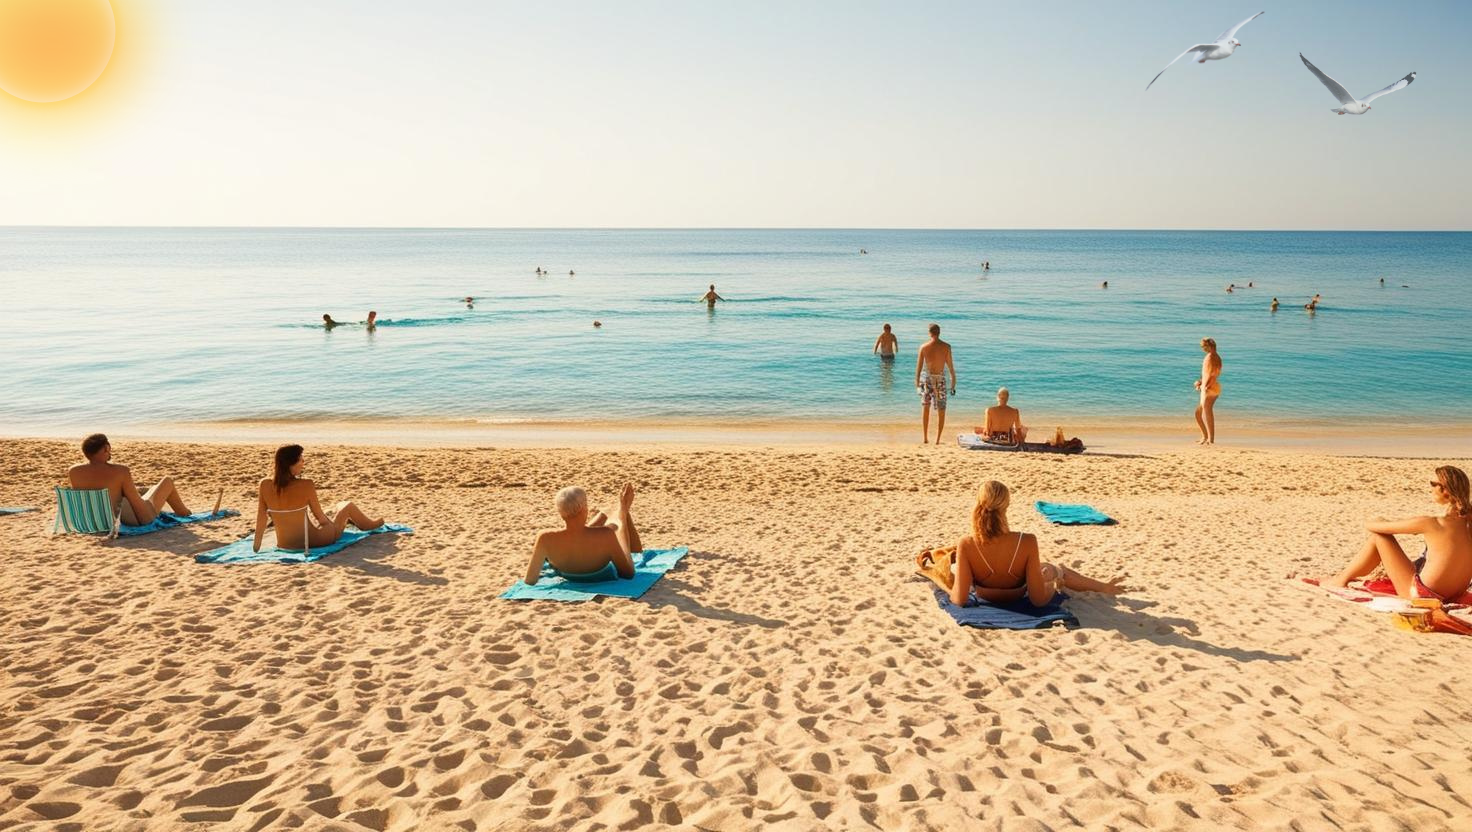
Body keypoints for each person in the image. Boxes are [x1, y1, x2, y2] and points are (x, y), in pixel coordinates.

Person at [944, 481, 1125, 607]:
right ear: (1006, 506)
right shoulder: (1026, 541)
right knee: (1055, 570)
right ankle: (1104, 587)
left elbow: (959, 599)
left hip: (986, 595)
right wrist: (1053, 586)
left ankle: (1099, 586)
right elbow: (1038, 600)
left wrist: (949, 590)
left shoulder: (966, 543)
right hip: (1017, 594)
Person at [1322, 466, 1472, 601]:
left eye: (1433, 484)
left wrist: (1376, 519)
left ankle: (1341, 580)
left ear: (1445, 490)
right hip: (1454, 594)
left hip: (1424, 595)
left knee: (1378, 537)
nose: (1430, 488)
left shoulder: (1432, 523)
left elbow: (1375, 527)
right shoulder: (1468, 523)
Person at [253, 445, 384, 552]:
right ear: (290, 464)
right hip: (314, 541)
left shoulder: (264, 485)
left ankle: (344, 516)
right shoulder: (306, 484)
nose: (303, 462)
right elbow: (320, 517)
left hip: (284, 544)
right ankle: (372, 525)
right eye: (300, 459)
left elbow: (261, 517)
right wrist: (330, 525)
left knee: (337, 510)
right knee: (347, 506)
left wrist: (257, 545)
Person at [524, 484, 642, 585]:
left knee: (604, 516)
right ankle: (622, 511)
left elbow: (530, 580)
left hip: (567, 574)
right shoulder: (606, 534)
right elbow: (628, 574)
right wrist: (623, 513)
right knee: (617, 524)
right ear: (584, 508)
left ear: (560, 512)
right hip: (598, 574)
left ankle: (608, 513)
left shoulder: (545, 537)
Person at [68, 433, 194, 526]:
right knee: (167, 482)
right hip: (127, 520)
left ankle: (157, 497)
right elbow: (136, 503)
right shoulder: (121, 471)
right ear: (106, 448)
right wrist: (147, 520)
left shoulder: (74, 471)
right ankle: (185, 514)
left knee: (146, 490)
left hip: (96, 521)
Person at [915, 323, 956, 445]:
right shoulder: (946, 347)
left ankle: (925, 438)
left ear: (929, 333)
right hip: (939, 380)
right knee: (942, 409)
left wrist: (917, 384)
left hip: (926, 379)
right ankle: (938, 440)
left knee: (926, 408)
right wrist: (953, 383)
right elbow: (950, 368)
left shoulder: (923, 347)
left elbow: (918, 369)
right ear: (939, 332)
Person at [1193, 337, 1222, 445]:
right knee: (1198, 413)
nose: (1203, 349)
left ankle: (1210, 440)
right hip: (1211, 386)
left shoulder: (1211, 357)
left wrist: (1205, 386)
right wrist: (1201, 382)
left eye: (1203, 347)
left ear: (1209, 346)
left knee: (1207, 413)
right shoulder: (1216, 357)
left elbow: (1212, 374)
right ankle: (1205, 437)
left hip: (1210, 387)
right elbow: (1208, 373)